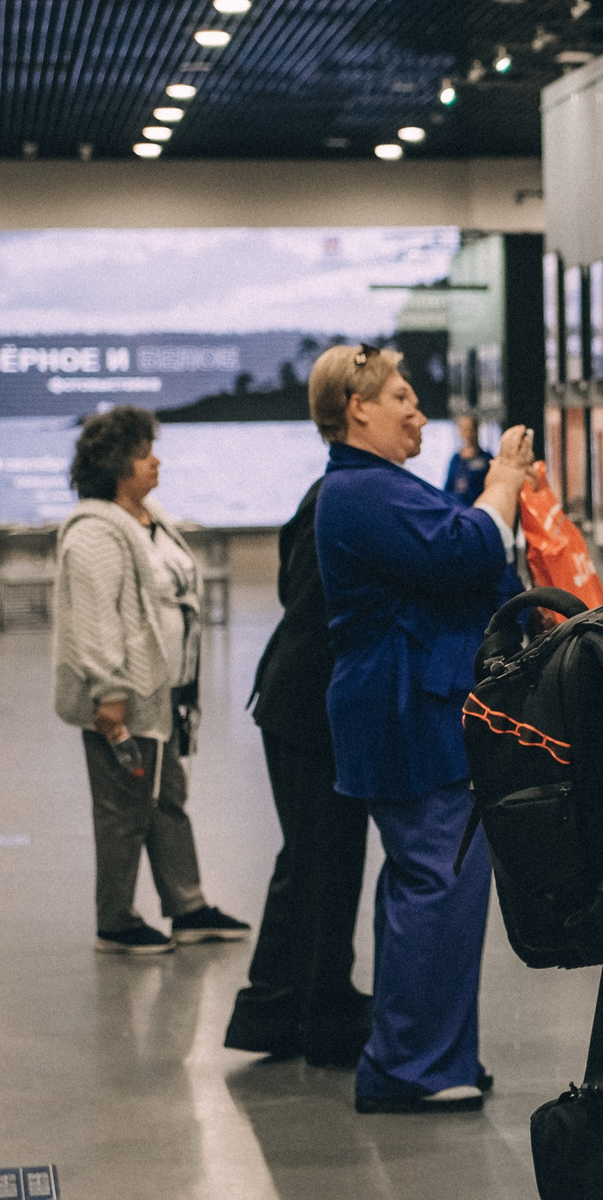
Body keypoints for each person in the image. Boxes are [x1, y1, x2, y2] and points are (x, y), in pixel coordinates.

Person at [309, 345, 533, 1112]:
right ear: (355, 409)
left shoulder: (381, 487)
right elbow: (465, 551)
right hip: (408, 708)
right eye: (401, 396)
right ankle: (415, 1065)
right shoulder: (364, 490)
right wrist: (501, 484)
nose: (418, 410)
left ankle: (433, 1053)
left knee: (435, 881)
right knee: (439, 879)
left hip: (418, 704)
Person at [50, 407, 247, 956]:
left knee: (166, 799)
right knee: (122, 812)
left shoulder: (148, 517)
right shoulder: (94, 532)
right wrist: (108, 692)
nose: (155, 460)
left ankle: (187, 906)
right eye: (143, 454)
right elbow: (95, 619)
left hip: (164, 697)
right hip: (123, 700)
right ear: (117, 465)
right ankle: (113, 920)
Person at [222, 471, 374, 1065]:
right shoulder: (340, 498)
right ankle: (306, 1012)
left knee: (318, 857)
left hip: (302, 701)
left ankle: (290, 1004)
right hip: (306, 704)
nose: (417, 416)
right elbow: (313, 601)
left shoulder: (334, 492)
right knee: (321, 858)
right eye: (402, 400)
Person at [442, 400, 492, 506]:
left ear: (476, 430)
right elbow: (448, 487)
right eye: (463, 429)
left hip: (478, 509)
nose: (466, 433)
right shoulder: (456, 459)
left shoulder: (486, 459)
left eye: (469, 429)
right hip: (457, 509)